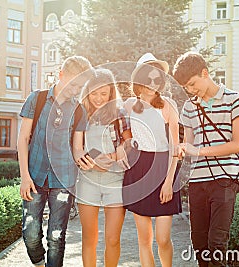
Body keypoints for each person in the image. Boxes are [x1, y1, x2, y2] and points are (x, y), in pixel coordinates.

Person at [173, 51, 239, 267]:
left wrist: (197, 151)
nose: (190, 90)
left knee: (217, 243)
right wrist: (182, 150)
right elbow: (190, 144)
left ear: (205, 73)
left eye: (192, 83)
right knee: (199, 243)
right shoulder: (189, 107)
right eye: (186, 87)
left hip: (224, 179)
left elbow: (238, 144)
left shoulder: (235, 101)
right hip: (197, 181)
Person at [18, 56, 93, 267]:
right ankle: (39, 263)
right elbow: (23, 139)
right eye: (74, 83)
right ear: (61, 75)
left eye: (81, 86)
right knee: (31, 233)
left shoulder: (79, 110)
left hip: (64, 179)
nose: (76, 89)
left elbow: (77, 148)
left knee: (57, 236)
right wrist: (24, 176)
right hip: (34, 176)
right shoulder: (37, 99)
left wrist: (84, 159)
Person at [122, 53, 182, 267]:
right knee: (144, 239)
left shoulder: (168, 105)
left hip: (163, 167)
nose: (153, 83)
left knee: (163, 239)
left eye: (157, 79)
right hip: (139, 169)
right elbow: (119, 130)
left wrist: (169, 182)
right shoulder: (129, 105)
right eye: (148, 78)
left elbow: (175, 146)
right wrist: (123, 147)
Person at [72, 68, 132, 267]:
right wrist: (92, 160)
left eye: (103, 93)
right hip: (87, 180)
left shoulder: (119, 112)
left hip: (115, 181)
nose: (98, 98)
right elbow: (77, 147)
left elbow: (128, 143)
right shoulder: (80, 112)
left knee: (113, 239)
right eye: (94, 93)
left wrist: (115, 155)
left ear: (111, 93)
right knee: (90, 238)